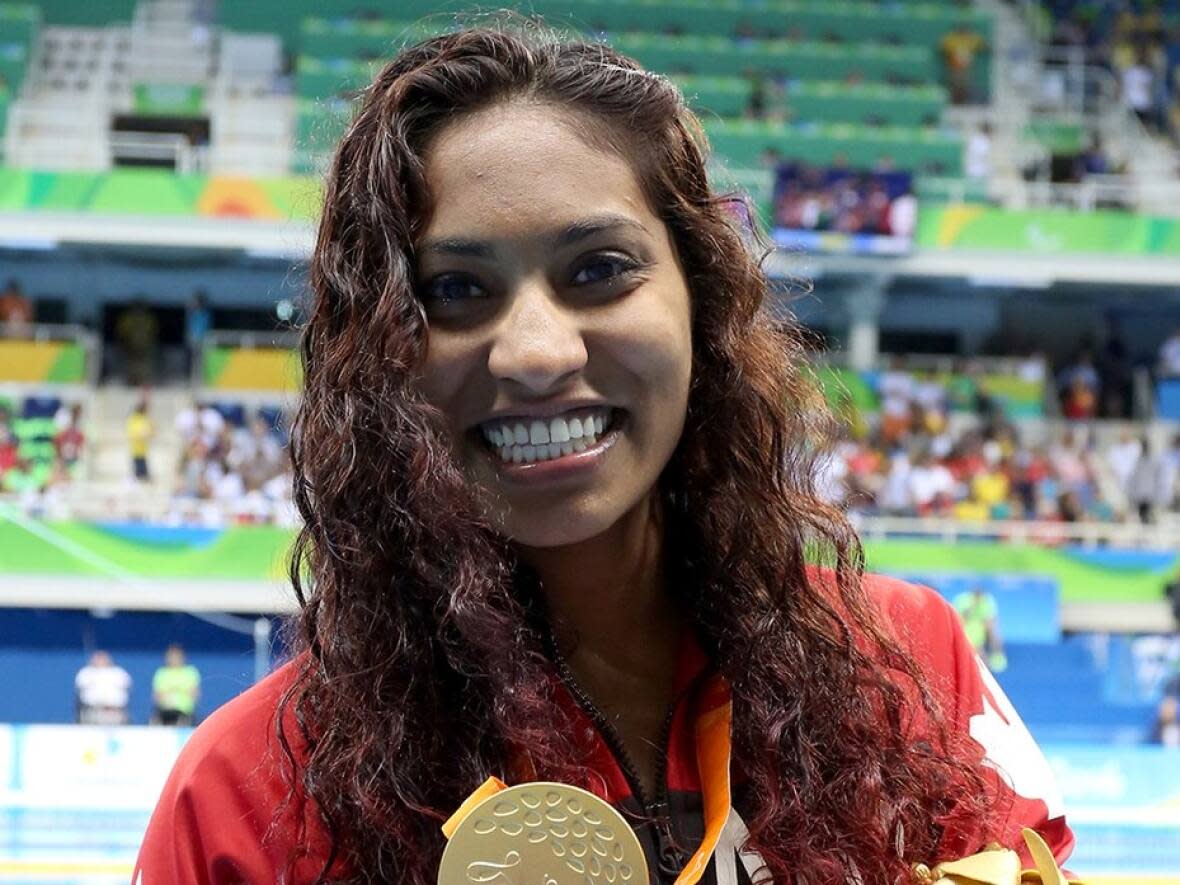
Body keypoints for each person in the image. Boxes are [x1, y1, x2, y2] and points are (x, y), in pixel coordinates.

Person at [136, 26, 1074, 883]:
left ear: (702, 305)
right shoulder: (247, 795)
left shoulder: (904, 667)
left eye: (598, 270)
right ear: (378, 356)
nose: (538, 352)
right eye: (455, 290)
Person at [953, 586, 1007, 673]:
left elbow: (992, 618)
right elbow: (960, 619)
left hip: (980, 626)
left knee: (994, 630)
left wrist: (988, 627)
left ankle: (997, 655)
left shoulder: (987, 600)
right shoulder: (962, 600)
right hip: (965, 626)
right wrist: (972, 606)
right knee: (978, 652)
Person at [75, 650, 132, 725]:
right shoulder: (86, 672)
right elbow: (80, 687)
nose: (101, 660)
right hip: (93, 711)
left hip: (115, 712)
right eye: (98, 658)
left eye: (103, 658)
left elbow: (127, 687)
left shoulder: (119, 672)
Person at [152, 644, 201, 726]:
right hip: (165, 711)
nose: (174, 659)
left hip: (185, 711)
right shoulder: (161, 673)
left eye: (176, 656)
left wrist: (173, 690)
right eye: (171, 656)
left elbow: (195, 694)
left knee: (184, 720)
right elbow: (157, 696)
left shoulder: (191, 672)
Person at [127, 396, 154, 483]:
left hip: (143, 449)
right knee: (139, 474)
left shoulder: (144, 419)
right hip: (137, 449)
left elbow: (152, 431)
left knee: (143, 473)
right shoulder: (134, 419)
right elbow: (133, 433)